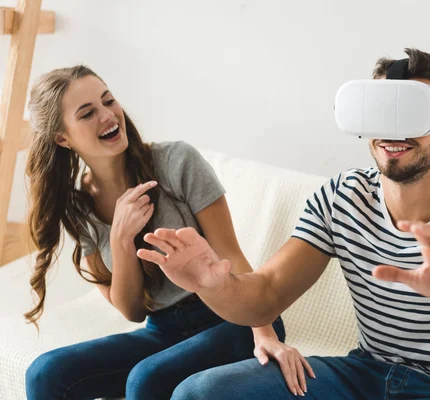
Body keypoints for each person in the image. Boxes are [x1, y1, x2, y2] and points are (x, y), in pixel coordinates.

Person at [138, 48, 430, 400]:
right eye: (381, 113)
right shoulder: (341, 196)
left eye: (412, 114)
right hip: (364, 374)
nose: (391, 132)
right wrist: (211, 284)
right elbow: (265, 296)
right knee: (202, 393)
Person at [23, 65, 313, 400]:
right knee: (45, 373)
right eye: (88, 113)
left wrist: (262, 330)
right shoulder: (78, 208)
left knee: (145, 380)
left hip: (233, 319)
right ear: (62, 138)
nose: (108, 116)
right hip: (163, 330)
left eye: (109, 101)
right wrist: (120, 240)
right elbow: (132, 311)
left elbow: (230, 256)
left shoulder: (176, 161)